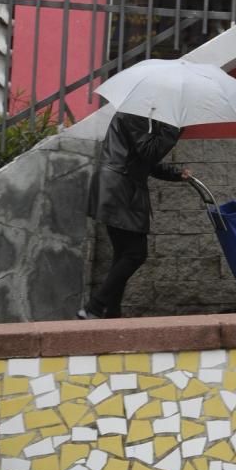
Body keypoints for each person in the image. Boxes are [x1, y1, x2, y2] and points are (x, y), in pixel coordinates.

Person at [77, 110, 190, 320]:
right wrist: (173, 126)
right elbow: (149, 151)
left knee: (123, 253)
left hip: (118, 187)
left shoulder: (141, 115)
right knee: (135, 253)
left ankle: (110, 312)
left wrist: (175, 174)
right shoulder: (135, 114)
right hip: (119, 188)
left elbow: (143, 160)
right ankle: (94, 307)